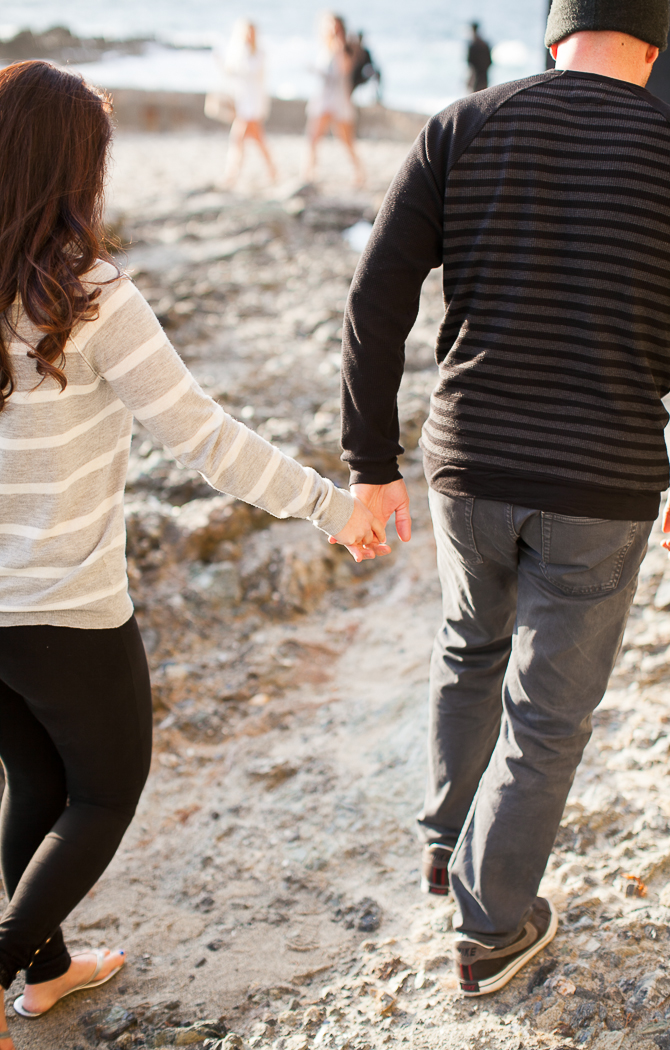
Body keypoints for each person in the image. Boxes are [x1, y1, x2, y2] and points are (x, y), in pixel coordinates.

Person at [0, 59, 388, 1047]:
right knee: (102, 792)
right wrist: (332, 508)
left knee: (38, 788)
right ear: (72, 168)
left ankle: (41, 976)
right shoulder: (89, 297)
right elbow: (206, 439)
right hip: (65, 606)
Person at [339, 0, 670, 997]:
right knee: (546, 718)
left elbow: (374, 296)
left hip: (470, 465)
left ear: (551, 33)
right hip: (603, 480)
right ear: (656, 43)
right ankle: (491, 928)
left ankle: (443, 845)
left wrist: (371, 461)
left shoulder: (463, 125)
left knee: (467, 647)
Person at [305, 13, 365, 187]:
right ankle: (309, 174)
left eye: (335, 26)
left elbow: (344, 70)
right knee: (313, 138)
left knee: (346, 140)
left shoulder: (347, 48)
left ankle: (359, 173)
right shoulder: (324, 47)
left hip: (339, 100)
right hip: (323, 98)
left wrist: (339, 46)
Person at [222, 20, 276, 186]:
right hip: (242, 102)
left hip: (252, 104)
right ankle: (272, 171)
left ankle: (232, 174)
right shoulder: (238, 52)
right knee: (255, 141)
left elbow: (249, 71)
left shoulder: (258, 54)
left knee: (238, 139)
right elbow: (231, 73)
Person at [349, 31, 381, 102]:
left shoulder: (365, 52)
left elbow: (371, 64)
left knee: (376, 72)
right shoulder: (353, 51)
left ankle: (377, 96)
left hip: (364, 74)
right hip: (355, 75)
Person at [467, 22, 492, 93]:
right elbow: (490, 62)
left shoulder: (473, 45)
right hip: (484, 76)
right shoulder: (485, 44)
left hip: (476, 76)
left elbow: (470, 63)